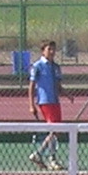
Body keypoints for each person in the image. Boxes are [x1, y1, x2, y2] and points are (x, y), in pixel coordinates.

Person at [26, 38, 65, 168]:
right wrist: (31, 105)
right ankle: (46, 156)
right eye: (49, 49)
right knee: (54, 129)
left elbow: (58, 85)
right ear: (43, 51)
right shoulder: (37, 66)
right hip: (45, 101)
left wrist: (67, 94)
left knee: (56, 130)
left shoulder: (56, 67)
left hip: (55, 101)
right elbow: (31, 86)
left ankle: (45, 155)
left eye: (54, 49)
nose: (52, 52)